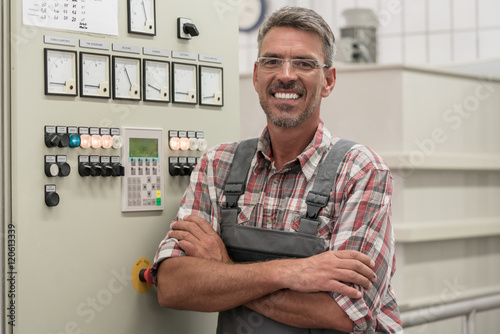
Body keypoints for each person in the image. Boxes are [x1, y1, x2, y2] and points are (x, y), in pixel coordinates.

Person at [151, 6, 402, 333]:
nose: (286, 74)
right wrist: (287, 273)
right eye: (272, 61)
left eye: (304, 63)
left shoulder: (361, 171)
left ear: (328, 80)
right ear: (256, 77)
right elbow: (173, 285)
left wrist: (225, 267)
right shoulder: (218, 165)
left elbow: (346, 313)